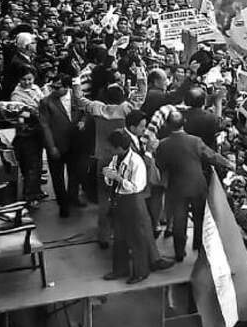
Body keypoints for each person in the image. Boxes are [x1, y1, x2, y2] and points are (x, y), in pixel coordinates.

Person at [72, 67, 147, 248]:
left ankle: (104, 236)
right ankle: (124, 233)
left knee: (104, 198)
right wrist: (140, 75)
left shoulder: (97, 108)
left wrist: (76, 80)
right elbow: (141, 95)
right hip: (124, 159)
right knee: (126, 196)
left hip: (103, 159)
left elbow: (79, 100)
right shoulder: (127, 109)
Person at [154, 110, 234, 262]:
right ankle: (197, 244)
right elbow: (211, 156)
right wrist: (228, 163)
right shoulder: (195, 141)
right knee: (199, 218)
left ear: (168, 125)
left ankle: (179, 253)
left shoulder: (163, 145)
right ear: (184, 123)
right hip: (198, 185)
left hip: (177, 188)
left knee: (179, 221)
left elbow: (160, 164)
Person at [102, 130, 154, 284]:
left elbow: (136, 186)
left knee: (136, 238)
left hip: (132, 201)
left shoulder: (136, 162)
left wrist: (117, 178)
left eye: (111, 147)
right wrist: (108, 176)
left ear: (119, 147)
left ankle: (141, 272)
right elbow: (110, 176)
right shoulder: (116, 158)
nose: (109, 149)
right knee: (119, 237)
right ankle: (120, 269)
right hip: (119, 199)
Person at [38, 72, 86, 217]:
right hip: (57, 144)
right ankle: (62, 204)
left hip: (75, 143)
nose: (54, 90)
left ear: (67, 88)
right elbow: (44, 126)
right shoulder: (46, 102)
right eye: (53, 86)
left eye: (57, 87)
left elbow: (85, 112)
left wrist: (83, 120)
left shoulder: (78, 98)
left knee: (75, 173)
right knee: (57, 177)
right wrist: (51, 146)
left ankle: (73, 197)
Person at [9, 65, 46, 208]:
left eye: (30, 79)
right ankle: (30, 196)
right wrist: (32, 113)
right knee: (30, 164)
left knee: (37, 162)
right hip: (26, 132)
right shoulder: (16, 95)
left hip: (39, 130)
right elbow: (19, 114)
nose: (27, 82)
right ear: (19, 80)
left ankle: (37, 191)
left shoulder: (36, 89)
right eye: (24, 80)